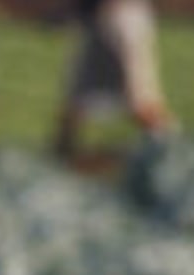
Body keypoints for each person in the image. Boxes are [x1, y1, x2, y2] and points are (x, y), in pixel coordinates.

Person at [53, 0, 177, 163]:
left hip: (123, 17)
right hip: (98, 19)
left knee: (140, 101)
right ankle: (59, 160)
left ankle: (175, 150)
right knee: (74, 105)